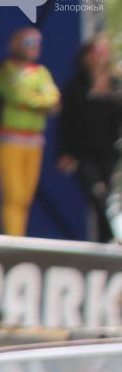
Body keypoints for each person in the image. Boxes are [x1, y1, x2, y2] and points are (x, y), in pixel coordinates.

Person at [0, 27, 61, 237]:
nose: (35, 46)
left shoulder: (41, 72)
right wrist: (40, 102)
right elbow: (17, 95)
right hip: (9, 139)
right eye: (29, 42)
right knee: (14, 194)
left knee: (26, 196)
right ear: (15, 45)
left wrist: (36, 102)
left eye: (37, 42)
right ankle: (14, 241)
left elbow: (53, 97)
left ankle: (19, 237)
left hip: (34, 141)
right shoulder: (3, 70)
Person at [55, 35, 122, 241]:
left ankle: (105, 244)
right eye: (95, 52)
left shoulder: (115, 84)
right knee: (97, 192)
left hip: (109, 151)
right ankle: (114, 237)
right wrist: (64, 152)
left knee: (106, 195)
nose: (99, 56)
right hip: (83, 152)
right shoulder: (75, 86)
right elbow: (65, 121)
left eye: (103, 52)